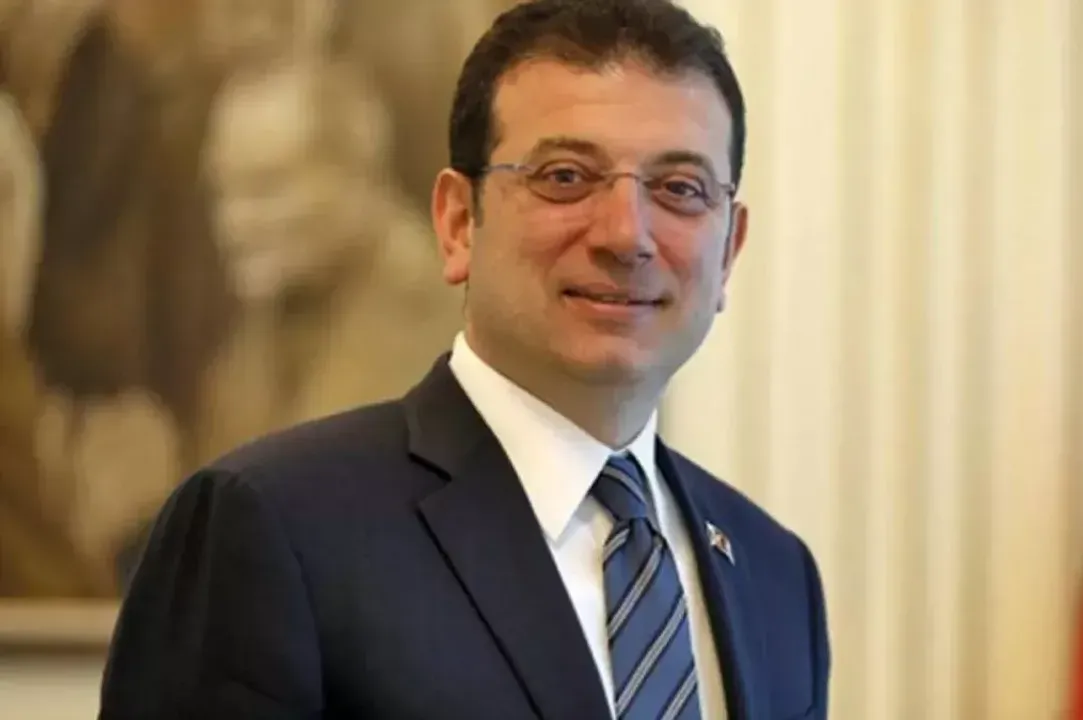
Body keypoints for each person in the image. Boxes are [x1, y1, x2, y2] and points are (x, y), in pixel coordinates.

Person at [97, 1, 831, 718]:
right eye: (566, 177)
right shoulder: (271, 526)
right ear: (456, 223)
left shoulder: (775, 577)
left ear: (728, 252)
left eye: (679, 189)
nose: (626, 235)